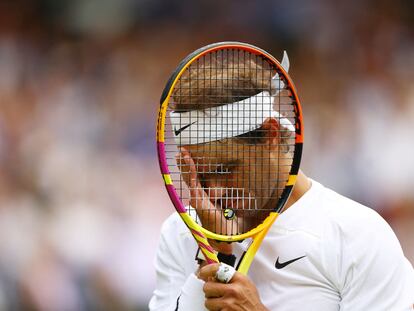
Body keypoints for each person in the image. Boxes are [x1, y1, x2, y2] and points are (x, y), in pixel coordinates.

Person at [149, 51, 414, 310]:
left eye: (225, 170)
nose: (214, 192)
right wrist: (216, 256)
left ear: (271, 136)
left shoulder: (357, 235)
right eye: (201, 176)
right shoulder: (179, 233)